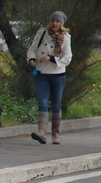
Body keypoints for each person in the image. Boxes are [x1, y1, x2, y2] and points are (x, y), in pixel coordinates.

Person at [27, 11, 73, 145]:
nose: (55, 24)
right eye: (53, 21)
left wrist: (51, 58)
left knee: (56, 105)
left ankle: (55, 134)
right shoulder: (41, 33)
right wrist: (31, 59)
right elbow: (31, 49)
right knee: (42, 103)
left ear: (61, 24)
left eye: (58, 22)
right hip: (41, 74)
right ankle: (41, 133)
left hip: (58, 76)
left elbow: (67, 59)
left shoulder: (66, 38)